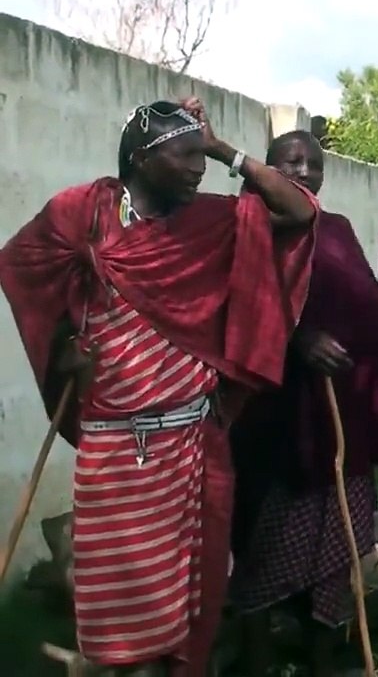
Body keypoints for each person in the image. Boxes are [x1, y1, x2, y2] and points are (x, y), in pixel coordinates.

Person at [0, 98, 317, 676]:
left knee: (196, 605)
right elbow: (22, 263)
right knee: (121, 615)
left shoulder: (211, 220)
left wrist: (224, 149)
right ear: (142, 159)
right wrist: (61, 344)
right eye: (186, 155)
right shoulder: (86, 213)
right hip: (114, 447)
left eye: (202, 156)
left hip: (196, 440)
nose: (198, 168)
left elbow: (297, 210)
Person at [227, 131, 378, 677]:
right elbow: (234, 311)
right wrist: (295, 339)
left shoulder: (337, 229)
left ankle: (323, 660)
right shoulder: (244, 231)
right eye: (290, 163)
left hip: (339, 418)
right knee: (261, 551)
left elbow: (369, 309)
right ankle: (256, 662)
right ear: (265, 170)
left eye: (314, 164)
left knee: (335, 558)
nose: (304, 172)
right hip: (274, 423)